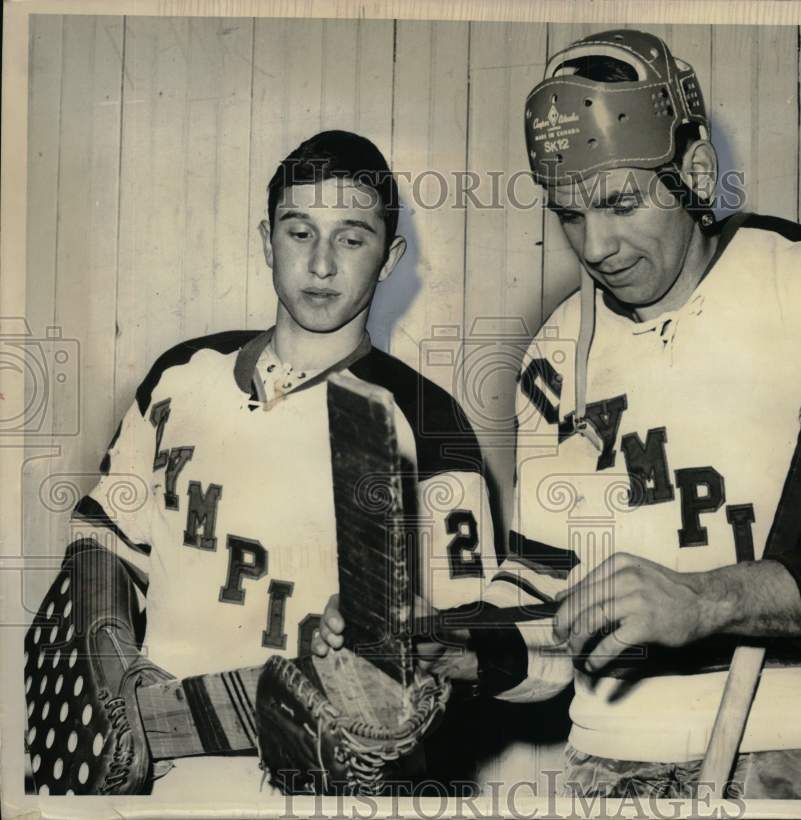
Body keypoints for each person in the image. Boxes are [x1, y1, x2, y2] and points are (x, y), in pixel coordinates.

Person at [315, 29, 801, 801]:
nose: (596, 246)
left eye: (621, 203)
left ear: (694, 171)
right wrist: (454, 644)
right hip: (608, 769)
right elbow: (551, 614)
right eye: (569, 215)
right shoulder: (555, 355)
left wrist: (709, 599)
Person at [24, 130, 497, 798]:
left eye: (352, 238)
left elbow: (465, 637)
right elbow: (103, 542)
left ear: (389, 257)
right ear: (264, 238)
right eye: (299, 232)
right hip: (162, 779)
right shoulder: (182, 375)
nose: (322, 264)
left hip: (331, 786)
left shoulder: (429, 419)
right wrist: (111, 667)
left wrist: (410, 645)